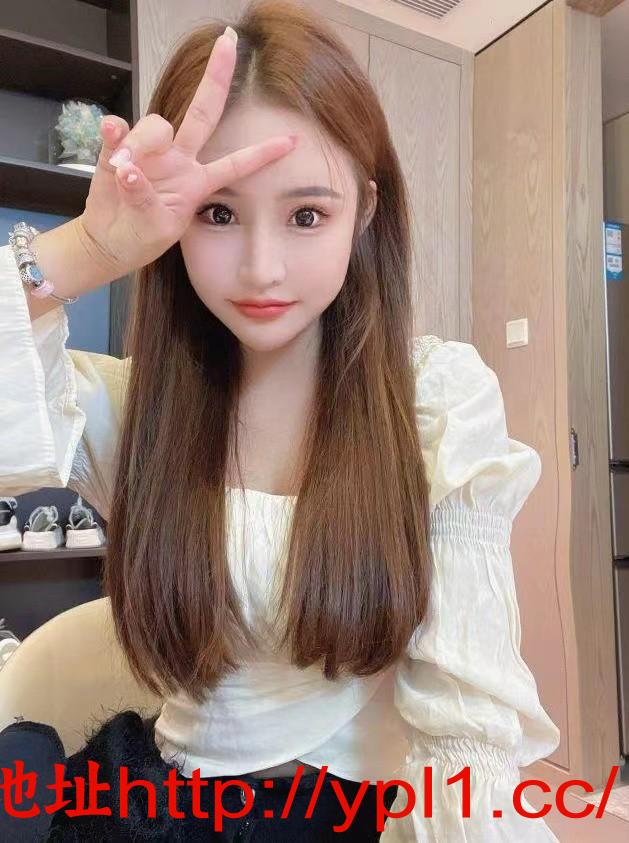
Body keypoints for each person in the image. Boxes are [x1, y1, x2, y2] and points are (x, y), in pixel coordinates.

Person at [0, 0, 560, 839]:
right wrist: (91, 249)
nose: (262, 268)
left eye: (306, 215)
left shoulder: (433, 402)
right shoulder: (132, 410)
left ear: (364, 213)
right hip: (158, 806)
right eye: (218, 213)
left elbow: (463, 740)